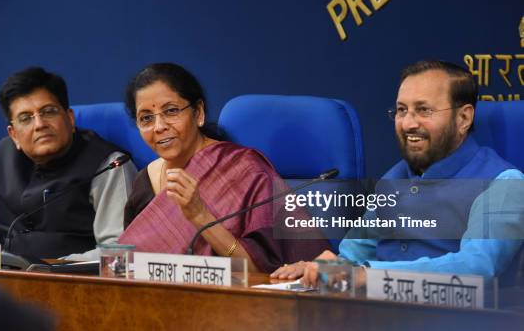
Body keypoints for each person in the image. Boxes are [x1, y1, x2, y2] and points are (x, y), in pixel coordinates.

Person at [271, 60, 524, 285]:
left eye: (424, 110)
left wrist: (365, 275)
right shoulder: (394, 178)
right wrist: (320, 268)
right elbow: (354, 256)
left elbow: (476, 268)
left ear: (464, 118)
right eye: (402, 110)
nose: (408, 123)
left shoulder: (504, 183)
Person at [118, 62, 329, 273]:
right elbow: (128, 269)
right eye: (146, 118)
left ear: (198, 113)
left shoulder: (245, 171)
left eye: (171, 111)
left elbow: (259, 273)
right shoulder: (145, 181)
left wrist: (200, 215)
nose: (159, 127)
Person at [0, 67, 137, 260]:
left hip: (76, 284)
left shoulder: (108, 165)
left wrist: (50, 270)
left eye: (48, 112)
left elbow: (116, 252)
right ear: (13, 134)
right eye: (26, 118)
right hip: (3, 284)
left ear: (70, 119)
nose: (39, 124)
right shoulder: (3, 161)